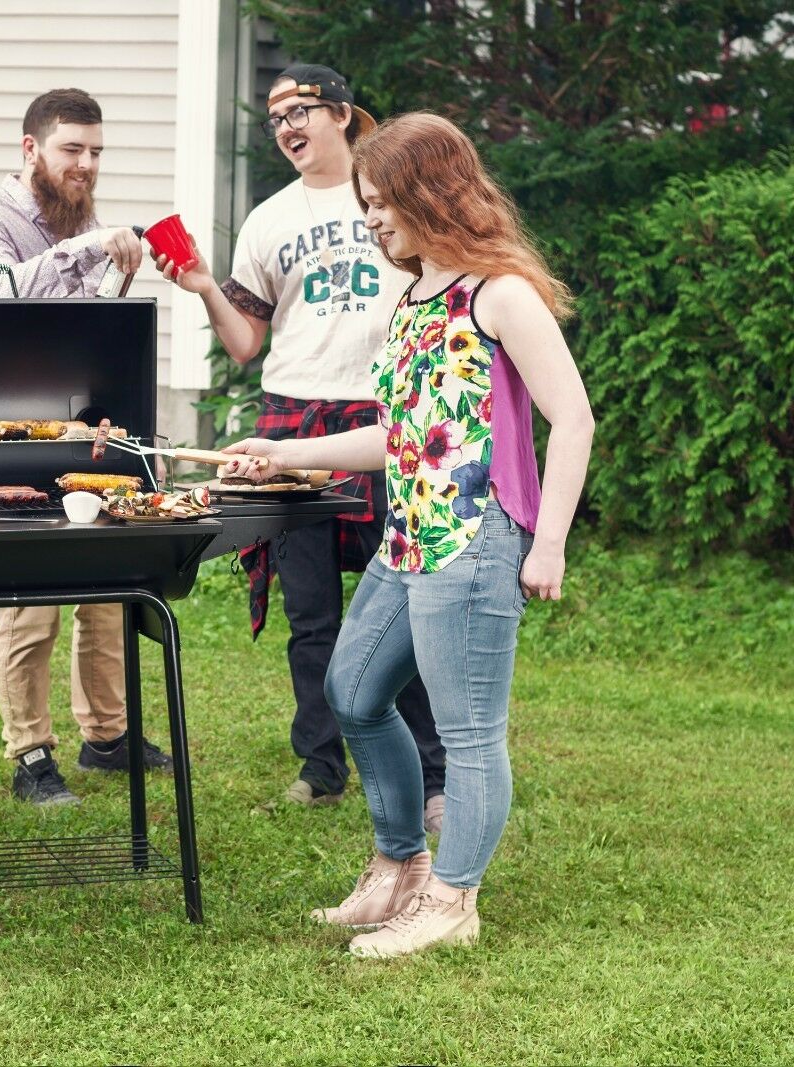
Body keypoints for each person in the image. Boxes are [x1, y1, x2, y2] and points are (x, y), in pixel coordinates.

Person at [222, 112, 595, 957]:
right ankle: (400, 868)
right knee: (353, 691)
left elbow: (573, 419)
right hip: (407, 538)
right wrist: (285, 452)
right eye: (368, 204)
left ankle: (453, 902)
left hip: (475, 540)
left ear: (436, 192)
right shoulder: (413, 293)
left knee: (469, 734)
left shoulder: (500, 294)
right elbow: (395, 434)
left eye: (386, 202)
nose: (374, 220)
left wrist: (550, 544)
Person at [156, 64, 446, 821]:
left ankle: (435, 771)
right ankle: (321, 765)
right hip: (294, 421)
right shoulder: (268, 219)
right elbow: (247, 340)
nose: (287, 125)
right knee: (312, 613)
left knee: (408, 599)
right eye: (276, 115)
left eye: (302, 110)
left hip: (387, 418)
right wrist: (203, 286)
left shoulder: (392, 194)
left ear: (343, 114)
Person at [0, 87, 172, 806]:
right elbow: (0, 297)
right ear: (31, 150)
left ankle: (106, 736)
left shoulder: (87, 220)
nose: (87, 165)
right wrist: (85, 251)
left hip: (82, 425)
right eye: (72, 150)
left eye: (97, 152)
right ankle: (31, 753)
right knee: (32, 595)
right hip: (7, 428)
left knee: (104, 589)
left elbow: (85, 332)